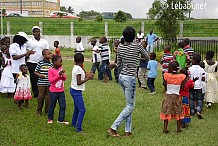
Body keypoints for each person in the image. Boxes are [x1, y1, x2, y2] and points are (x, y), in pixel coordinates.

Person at [108, 26, 149, 137]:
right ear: (134, 36)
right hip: (130, 78)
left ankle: (128, 130)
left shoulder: (120, 47)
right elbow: (147, 56)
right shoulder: (137, 45)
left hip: (122, 77)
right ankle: (113, 128)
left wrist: (113, 65)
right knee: (130, 106)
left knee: (129, 104)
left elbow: (119, 64)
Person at [160, 61, 186, 133]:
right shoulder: (181, 76)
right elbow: (183, 87)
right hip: (177, 96)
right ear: (178, 68)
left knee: (166, 112)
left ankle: (165, 128)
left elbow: (164, 84)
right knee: (178, 112)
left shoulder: (166, 75)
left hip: (168, 96)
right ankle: (178, 129)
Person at [70, 53, 94, 133]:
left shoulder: (76, 67)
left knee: (77, 109)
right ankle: (78, 129)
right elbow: (79, 82)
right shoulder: (78, 69)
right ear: (83, 61)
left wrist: (87, 75)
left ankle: (74, 123)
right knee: (82, 110)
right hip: (76, 91)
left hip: (74, 90)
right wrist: (88, 78)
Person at [26, 26, 49, 98]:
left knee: (42, 77)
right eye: (35, 31)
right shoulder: (29, 41)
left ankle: (42, 92)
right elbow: (26, 50)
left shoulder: (44, 41)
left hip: (41, 62)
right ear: (33, 33)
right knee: (33, 77)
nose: (37, 33)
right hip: (32, 61)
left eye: (38, 31)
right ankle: (35, 92)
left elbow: (47, 51)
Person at [47, 55, 69, 124]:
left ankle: (61, 119)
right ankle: (50, 118)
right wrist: (58, 75)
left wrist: (62, 75)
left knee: (63, 105)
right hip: (53, 91)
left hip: (61, 91)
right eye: (60, 62)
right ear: (54, 62)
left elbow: (65, 78)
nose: (61, 63)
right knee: (52, 105)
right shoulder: (51, 70)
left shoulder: (61, 68)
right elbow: (51, 80)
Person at [34, 49, 53, 116]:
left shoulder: (51, 64)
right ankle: (39, 111)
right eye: (48, 54)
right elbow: (35, 72)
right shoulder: (40, 63)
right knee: (40, 97)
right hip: (41, 84)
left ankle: (47, 111)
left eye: (51, 53)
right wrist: (40, 75)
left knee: (48, 98)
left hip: (49, 84)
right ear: (44, 55)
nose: (51, 54)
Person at [189, 53, 205, 119]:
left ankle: (192, 111)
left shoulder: (190, 69)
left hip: (191, 86)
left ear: (193, 61)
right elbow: (203, 78)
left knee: (191, 98)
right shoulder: (202, 69)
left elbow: (188, 78)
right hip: (199, 86)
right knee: (199, 99)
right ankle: (199, 110)